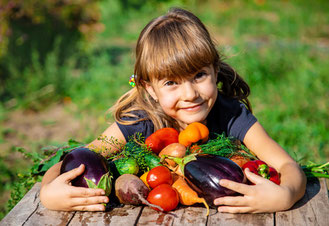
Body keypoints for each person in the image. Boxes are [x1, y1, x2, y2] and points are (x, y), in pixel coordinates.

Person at [40, 7, 306, 213]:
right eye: (171, 83)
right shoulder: (139, 121)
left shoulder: (231, 114)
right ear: (150, 88)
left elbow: (286, 165)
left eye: (199, 75)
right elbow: (78, 156)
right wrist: (48, 192)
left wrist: (286, 195)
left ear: (215, 70)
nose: (190, 94)